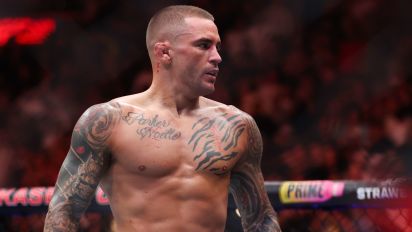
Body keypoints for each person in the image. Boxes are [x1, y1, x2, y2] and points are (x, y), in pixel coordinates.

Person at [44, 5, 281, 232]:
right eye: (204, 45)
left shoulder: (236, 125)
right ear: (164, 52)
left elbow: (260, 219)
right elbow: (64, 211)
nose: (217, 57)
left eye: (217, 46)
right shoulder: (109, 121)